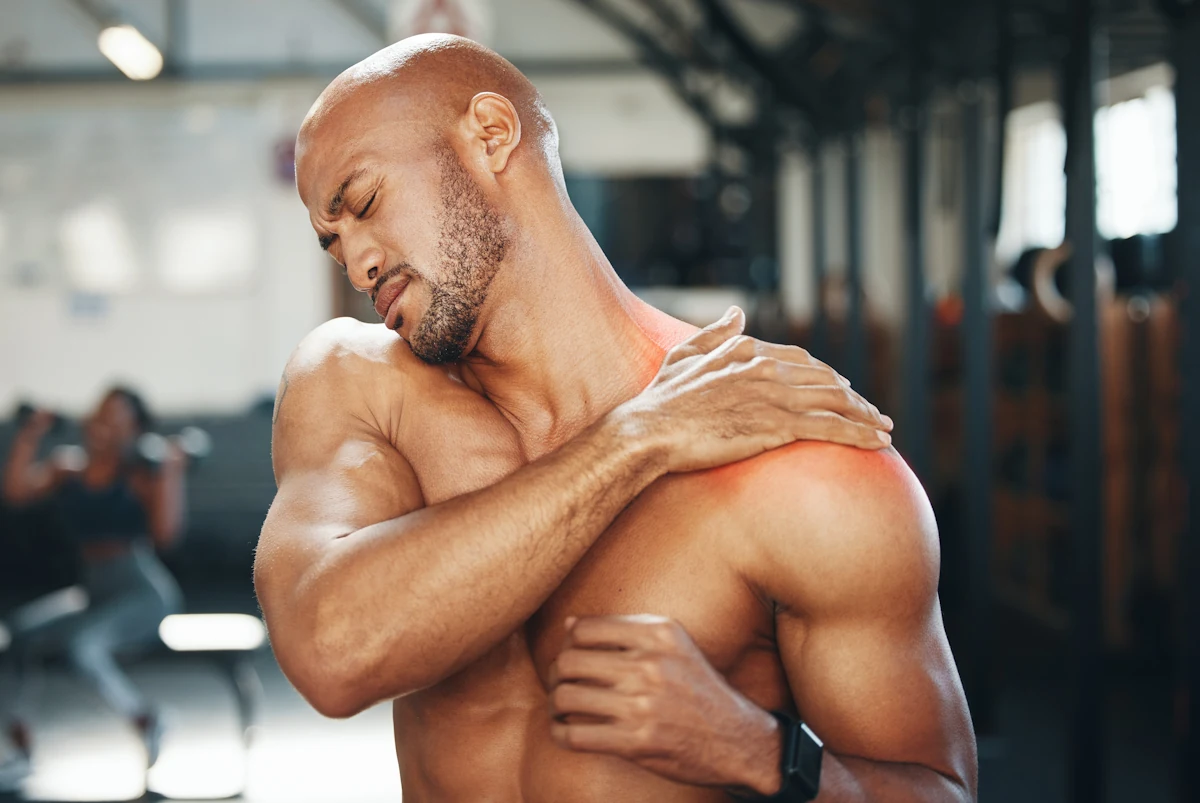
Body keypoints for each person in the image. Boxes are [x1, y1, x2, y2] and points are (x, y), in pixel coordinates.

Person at [255, 34, 976, 802]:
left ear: (492, 136)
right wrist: (635, 437)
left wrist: (755, 749)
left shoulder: (794, 469)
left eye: (364, 204)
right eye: (334, 244)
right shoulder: (357, 385)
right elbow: (329, 650)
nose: (358, 263)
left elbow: (943, 793)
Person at [0, 387, 186, 790]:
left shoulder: (140, 476)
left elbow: (166, 536)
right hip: (93, 589)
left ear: (135, 431)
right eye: (103, 414)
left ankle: (147, 719)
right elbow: (15, 492)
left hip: (142, 592)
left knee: (84, 648)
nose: (106, 426)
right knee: (19, 635)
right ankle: (21, 748)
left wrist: (170, 472)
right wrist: (31, 433)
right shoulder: (69, 469)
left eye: (118, 419)